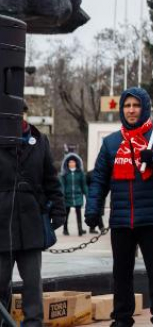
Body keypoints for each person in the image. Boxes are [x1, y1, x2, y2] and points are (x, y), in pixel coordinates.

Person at [86, 87, 153, 327]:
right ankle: (122, 318)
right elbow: (100, 179)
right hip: (121, 220)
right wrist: (93, 209)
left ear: (145, 108)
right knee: (121, 274)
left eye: (136, 105)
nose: (131, 110)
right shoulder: (111, 142)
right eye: (127, 106)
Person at [0, 105, 65, 326]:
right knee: (0, 283)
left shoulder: (40, 140)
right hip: (1, 224)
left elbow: (51, 179)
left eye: (21, 113)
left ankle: (34, 323)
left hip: (31, 224)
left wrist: (58, 210)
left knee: (32, 283)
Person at [60, 153, 88, 236]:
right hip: (67, 196)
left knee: (79, 213)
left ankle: (80, 229)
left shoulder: (80, 173)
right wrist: (62, 194)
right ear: (67, 164)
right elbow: (62, 185)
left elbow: (84, 185)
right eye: (70, 162)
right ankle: (65, 229)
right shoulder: (65, 174)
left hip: (78, 196)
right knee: (66, 213)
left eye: (73, 162)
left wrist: (87, 194)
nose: (71, 164)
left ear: (76, 163)